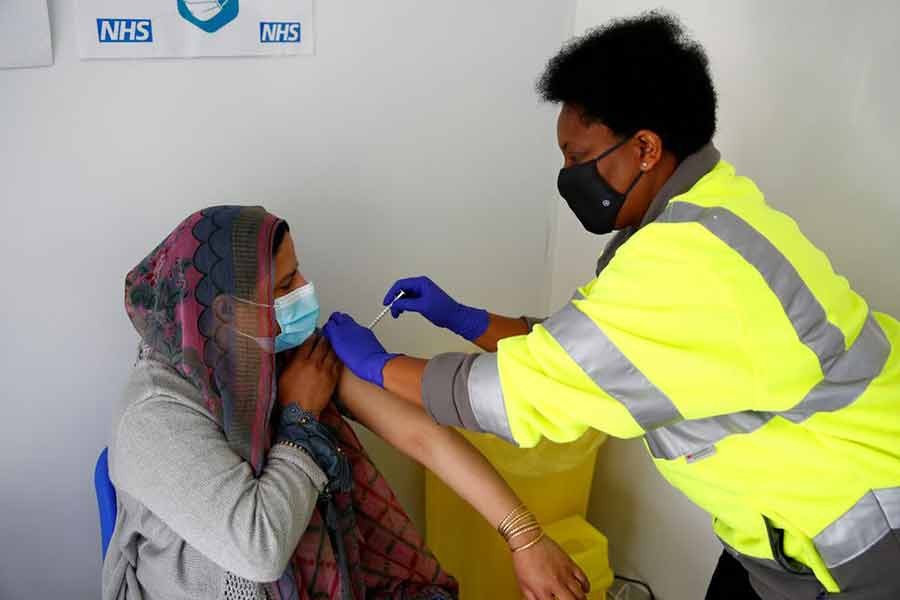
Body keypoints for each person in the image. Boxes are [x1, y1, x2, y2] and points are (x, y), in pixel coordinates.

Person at [321, 12, 900, 600]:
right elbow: (589, 355)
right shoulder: (705, 213)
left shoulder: (686, 261)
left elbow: (519, 396)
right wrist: (465, 320)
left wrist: (376, 366)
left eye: (578, 157)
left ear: (645, 148)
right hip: (779, 531)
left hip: (863, 534)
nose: (567, 176)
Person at [103, 206, 589, 600]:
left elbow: (423, 436)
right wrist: (299, 420)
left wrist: (525, 537)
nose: (305, 291)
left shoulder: (284, 353)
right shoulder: (154, 416)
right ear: (227, 310)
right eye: (285, 284)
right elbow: (258, 550)